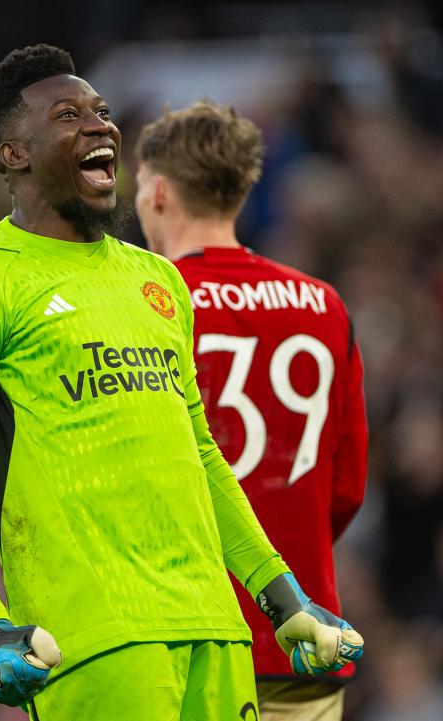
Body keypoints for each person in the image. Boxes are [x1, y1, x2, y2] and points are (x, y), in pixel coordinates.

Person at [0, 45, 364, 720]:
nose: (101, 126)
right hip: (95, 641)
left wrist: (281, 595)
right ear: (14, 154)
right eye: (68, 116)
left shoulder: (157, 280)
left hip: (215, 629)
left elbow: (201, 455)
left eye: (101, 111)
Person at [134, 100, 368, 720]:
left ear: (159, 193)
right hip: (307, 638)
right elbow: (346, 488)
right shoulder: (324, 305)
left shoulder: (147, 305)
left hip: (187, 639)